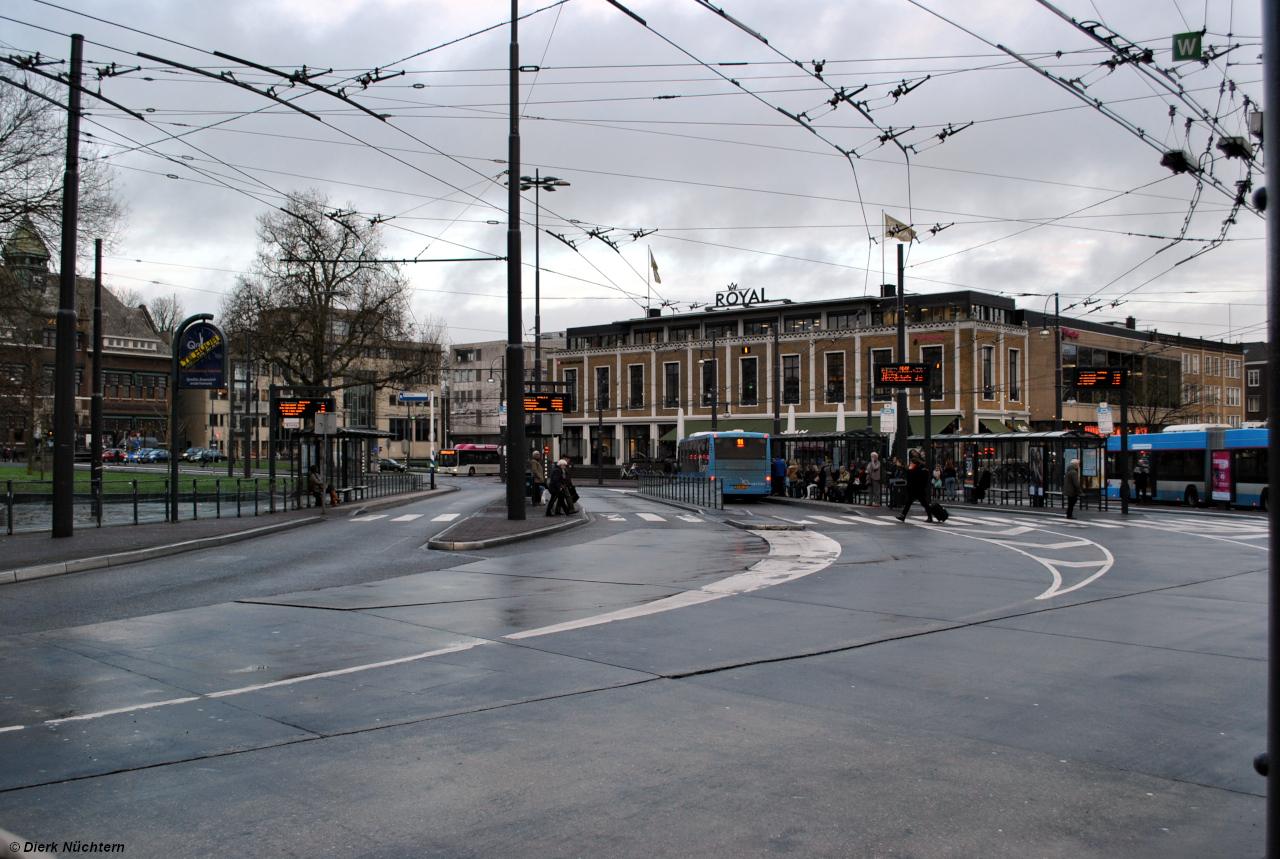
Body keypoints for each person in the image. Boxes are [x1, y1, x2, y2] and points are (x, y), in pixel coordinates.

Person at [897, 452, 935, 523]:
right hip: (915, 490)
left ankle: (930, 517)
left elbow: (910, 478)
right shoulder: (915, 470)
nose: (910, 464)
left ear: (914, 464)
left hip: (918, 491)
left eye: (911, 463)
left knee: (924, 504)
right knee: (909, 503)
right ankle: (903, 515)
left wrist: (908, 470)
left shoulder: (917, 470)